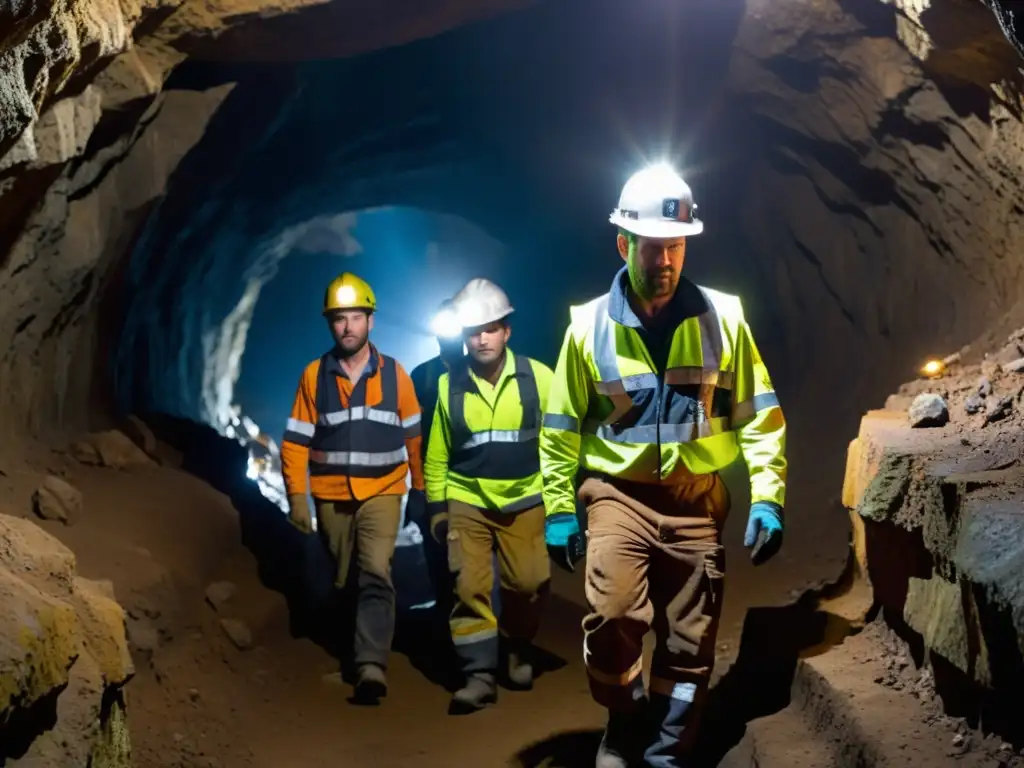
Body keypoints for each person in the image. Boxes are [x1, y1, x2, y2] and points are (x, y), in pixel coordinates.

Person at [539, 164, 787, 766]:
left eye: (675, 246)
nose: (665, 261)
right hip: (617, 497)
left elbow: (759, 414)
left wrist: (767, 495)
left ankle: (667, 752)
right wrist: (557, 510)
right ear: (624, 244)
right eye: (653, 247)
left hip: (695, 499)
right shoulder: (588, 326)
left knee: (690, 639)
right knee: (614, 615)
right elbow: (560, 429)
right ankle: (624, 723)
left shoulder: (723, 320)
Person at [280, 272, 425, 704]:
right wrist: (297, 498)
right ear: (330, 324)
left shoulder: (396, 376)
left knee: (376, 570)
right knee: (344, 578)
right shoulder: (314, 377)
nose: (348, 327)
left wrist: (419, 491)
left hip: (382, 491)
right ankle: (350, 649)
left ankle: (370, 665)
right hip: (331, 498)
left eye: (355, 318)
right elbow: (295, 442)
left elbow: (415, 438)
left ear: (370, 321)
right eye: (339, 319)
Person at [424, 278, 555, 714]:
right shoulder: (449, 386)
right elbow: (437, 454)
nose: (481, 338)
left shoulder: (539, 378)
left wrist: (562, 503)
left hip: (526, 499)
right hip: (468, 500)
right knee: (470, 586)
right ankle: (478, 675)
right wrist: (438, 510)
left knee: (529, 582)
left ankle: (518, 646)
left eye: (490, 328)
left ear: (507, 331)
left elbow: (560, 445)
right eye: (473, 331)